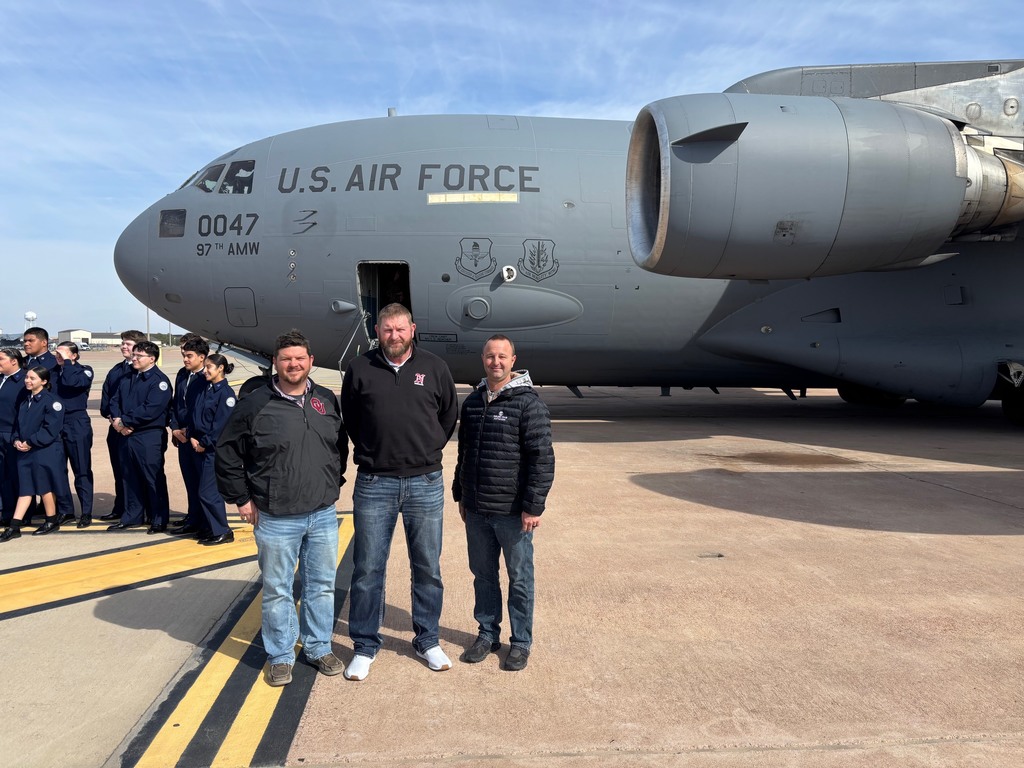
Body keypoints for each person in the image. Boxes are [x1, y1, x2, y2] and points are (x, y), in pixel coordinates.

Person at [216, 330, 348, 687]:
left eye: (300, 358)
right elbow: (227, 453)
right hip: (276, 516)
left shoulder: (324, 399)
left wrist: (334, 482)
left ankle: (319, 647)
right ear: (276, 363)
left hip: (321, 512)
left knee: (321, 585)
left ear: (311, 362)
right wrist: (241, 499)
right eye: (287, 359)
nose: (294, 364)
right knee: (277, 588)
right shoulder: (254, 404)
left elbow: (339, 444)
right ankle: (281, 654)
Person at [340, 303, 458, 681]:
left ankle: (428, 639)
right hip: (376, 482)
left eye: (401, 329)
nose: (394, 336)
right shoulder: (360, 368)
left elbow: (448, 415)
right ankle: (364, 645)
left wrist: (427, 449)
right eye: (387, 330)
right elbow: (352, 420)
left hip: (425, 482)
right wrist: (376, 450)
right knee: (368, 568)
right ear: (378, 330)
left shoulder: (435, 367)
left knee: (427, 566)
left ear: (413, 329)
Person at [453, 335, 555, 671]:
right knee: (483, 576)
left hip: (513, 514)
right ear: (482, 359)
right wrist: (461, 494)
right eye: (490, 356)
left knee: (520, 578)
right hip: (478, 510)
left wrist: (533, 506)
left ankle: (521, 642)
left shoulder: (529, 404)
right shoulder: (472, 403)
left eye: (502, 356)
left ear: (513, 360)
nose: (495, 362)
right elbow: (463, 453)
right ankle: (487, 633)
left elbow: (542, 459)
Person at [106, 340, 172, 533]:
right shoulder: (128, 378)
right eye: (133, 355)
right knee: (129, 476)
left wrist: (124, 421)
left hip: (148, 435)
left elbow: (151, 409)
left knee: (152, 478)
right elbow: (114, 400)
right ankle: (132, 516)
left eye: (138, 356)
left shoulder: (158, 381)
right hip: (125, 434)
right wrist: (118, 423)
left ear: (152, 359)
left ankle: (158, 518)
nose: (133, 358)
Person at [0, 366, 67, 540]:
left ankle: (51, 520)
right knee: (26, 488)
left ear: (44, 382)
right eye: (27, 377)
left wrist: (30, 442)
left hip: (43, 451)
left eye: (32, 378)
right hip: (25, 451)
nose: (28, 381)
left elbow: (51, 429)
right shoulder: (25, 402)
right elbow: (17, 426)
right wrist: (16, 440)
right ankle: (15, 526)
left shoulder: (52, 402)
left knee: (45, 487)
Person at [99, 330, 147, 521]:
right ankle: (121, 508)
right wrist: (116, 423)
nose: (123, 347)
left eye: (127, 344)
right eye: (122, 344)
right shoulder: (116, 371)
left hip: (136, 431)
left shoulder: (142, 372)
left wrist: (127, 423)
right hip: (117, 430)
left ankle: (143, 511)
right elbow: (107, 401)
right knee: (120, 472)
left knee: (141, 473)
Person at [189, 353, 236, 545]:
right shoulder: (208, 390)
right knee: (204, 491)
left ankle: (223, 530)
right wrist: (193, 435)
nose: (205, 370)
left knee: (208, 493)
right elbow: (197, 415)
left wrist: (203, 442)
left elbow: (221, 425)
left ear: (220, 369)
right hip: (200, 445)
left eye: (209, 367)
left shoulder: (226, 395)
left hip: (213, 449)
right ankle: (211, 529)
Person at [168, 334, 209, 536]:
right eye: (183, 353)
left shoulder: (206, 377)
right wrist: (174, 427)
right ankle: (193, 519)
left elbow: (203, 410)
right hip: (182, 436)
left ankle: (205, 522)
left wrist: (190, 430)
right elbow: (177, 403)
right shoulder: (182, 374)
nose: (184, 358)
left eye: (188, 354)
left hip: (197, 437)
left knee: (203, 484)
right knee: (190, 481)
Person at [54, 342, 95, 527]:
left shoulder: (84, 371)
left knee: (82, 469)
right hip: (56, 424)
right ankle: (65, 510)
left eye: (63, 354)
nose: (59, 357)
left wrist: (68, 363)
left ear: (75, 355)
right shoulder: (52, 372)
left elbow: (72, 382)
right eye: (57, 353)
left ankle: (86, 512)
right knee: (58, 471)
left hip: (76, 422)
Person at [0, 348, 28, 524]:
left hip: (13, 433)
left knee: (16, 475)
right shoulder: (2, 379)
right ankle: (6, 512)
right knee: (2, 475)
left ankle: (23, 515)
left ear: (13, 361)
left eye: (1, 359)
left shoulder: (24, 381)